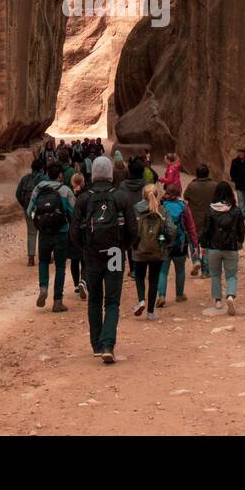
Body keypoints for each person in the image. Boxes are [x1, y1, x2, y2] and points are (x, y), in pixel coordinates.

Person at [70, 155, 138, 363]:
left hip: (92, 255)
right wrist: (122, 247)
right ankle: (108, 344)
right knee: (112, 301)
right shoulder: (121, 196)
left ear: (93, 173)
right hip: (115, 253)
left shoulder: (83, 198)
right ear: (109, 173)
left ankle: (96, 345)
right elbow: (133, 230)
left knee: (94, 300)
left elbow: (73, 232)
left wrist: (86, 249)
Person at [28, 162, 75, 312]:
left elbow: (30, 210)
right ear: (60, 175)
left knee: (43, 261)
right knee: (60, 266)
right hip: (61, 232)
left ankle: (43, 287)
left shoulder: (39, 188)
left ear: (47, 173)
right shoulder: (65, 190)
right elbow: (73, 212)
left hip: (44, 233)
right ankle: (57, 301)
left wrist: (38, 222)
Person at [131, 184, 175, 321]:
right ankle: (150, 312)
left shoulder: (136, 209)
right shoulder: (163, 210)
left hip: (139, 249)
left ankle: (141, 301)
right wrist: (167, 243)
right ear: (157, 195)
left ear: (143, 195)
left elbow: (131, 227)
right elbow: (172, 229)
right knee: (154, 279)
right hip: (158, 250)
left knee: (139, 276)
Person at [200, 181, 245, 315]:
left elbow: (206, 229)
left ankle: (218, 300)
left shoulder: (211, 210)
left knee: (215, 274)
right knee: (231, 274)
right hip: (231, 247)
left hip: (213, 247)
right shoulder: (236, 210)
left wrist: (203, 244)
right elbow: (241, 229)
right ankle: (230, 295)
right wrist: (240, 241)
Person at [155, 181, 197, 306]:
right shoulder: (184, 207)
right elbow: (191, 227)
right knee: (180, 270)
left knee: (163, 271)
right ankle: (179, 295)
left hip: (164, 243)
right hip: (180, 244)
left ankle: (161, 296)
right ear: (179, 193)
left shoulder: (161, 206)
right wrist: (194, 244)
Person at [114, 158, 148, 280]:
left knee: (130, 244)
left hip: (128, 218)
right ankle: (140, 268)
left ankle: (133, 269)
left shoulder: (123, 185)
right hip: (143, 217)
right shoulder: (145, 185)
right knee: (142, 243)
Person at [184, 164, 215, 278]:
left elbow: (185, 196)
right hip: (210, 219)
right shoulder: (214, 185)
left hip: (194, 219)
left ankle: (196, 260)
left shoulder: (192, 186)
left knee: (193, 241)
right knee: (206, 245)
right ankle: (206, 271)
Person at [15, 158, 45, 267]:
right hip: (40, 211)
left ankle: (31, 258)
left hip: (29, 210)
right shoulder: (43, 179)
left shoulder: (25, 179)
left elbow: (18, 194)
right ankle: (46, 256)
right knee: (43, 231)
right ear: (42, 168)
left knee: (31, 232)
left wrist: (25, 206)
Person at [69, 171, 88, 299]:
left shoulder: (68, 195)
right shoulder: (86, 196)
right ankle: (83, 280)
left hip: (73, 230)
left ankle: (76, 284)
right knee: (84, 259)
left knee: (74, 259)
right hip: (84, 230)